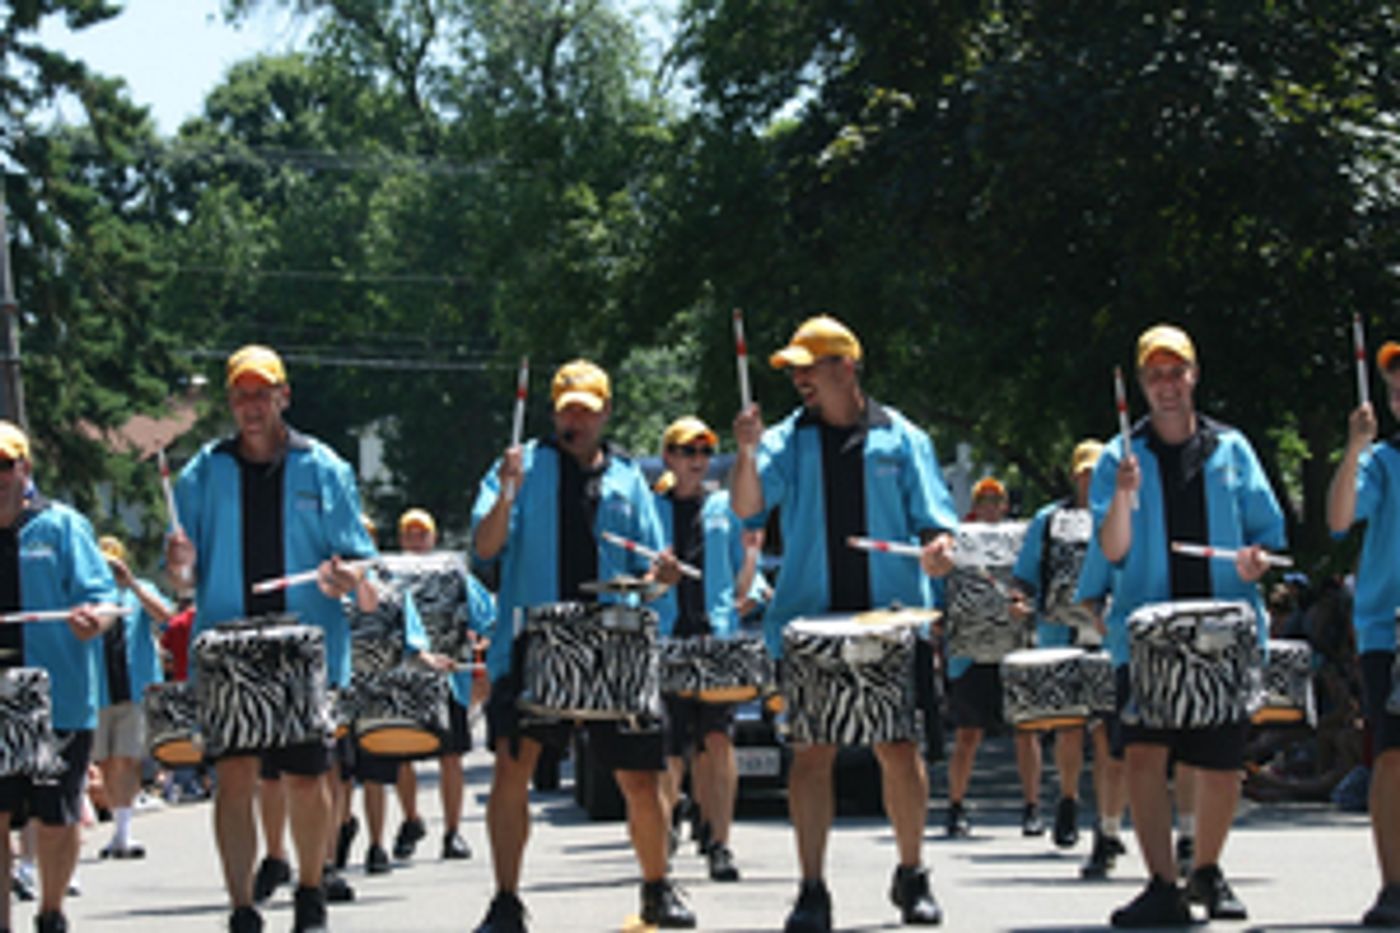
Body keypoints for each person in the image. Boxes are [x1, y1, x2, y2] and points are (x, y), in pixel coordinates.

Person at [730, 315, 957, 931]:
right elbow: (748, 506)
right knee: (810, 755)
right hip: (809, 625)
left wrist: (938, 550)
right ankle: (811, 888)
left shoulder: (902, 437)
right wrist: (746, 453)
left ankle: (912, 875)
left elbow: (936, 524)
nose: (800, 378)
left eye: (811, 366)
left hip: (889, 622)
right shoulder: (785, 439)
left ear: (846, 367)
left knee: (898, 748)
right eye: (795, 370)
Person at [470, 359, 694, 931]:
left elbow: (650, 572)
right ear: (553, 412)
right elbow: (485, 550)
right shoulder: (520, 469)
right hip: (535, 640)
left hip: (612, 644)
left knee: (640, 777)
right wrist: (504, 495)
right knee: (512, 771)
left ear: (605, 413)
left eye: (588, 410)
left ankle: (656, 886)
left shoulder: (627, 479)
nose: (578, 420)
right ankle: (504, 899)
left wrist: (662, 577)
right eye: (568, 409)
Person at [166, 345, 378, 933]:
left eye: (262, 393)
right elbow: (184, 575)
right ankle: (241, 905)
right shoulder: (203, 472)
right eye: (241, 394)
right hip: (229, 647)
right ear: (230, 402)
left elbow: (360, 560)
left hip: (302, 647)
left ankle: (310, 888)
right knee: (233, 777)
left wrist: (346, 576)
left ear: (284, 396)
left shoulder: (324, 467)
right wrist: (178, 565)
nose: (251, 405)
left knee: (308, 776)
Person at [1086, 324, 1284, 927]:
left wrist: (1256, 562)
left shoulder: (1233, 449)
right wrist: (1121, 496)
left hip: (1223, 629)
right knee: (1145, 755)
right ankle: (1160, 883)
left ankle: (1208, 870)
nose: (1167, 385)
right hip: (1145, 635)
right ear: (1142, 386)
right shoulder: (1119, 460)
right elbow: (1112, 550)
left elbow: (1266, 542)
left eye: (1177, 373)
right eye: (1155, 376)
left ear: (1194, 376)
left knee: (1221, 763)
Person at [0, 420, 120, 933]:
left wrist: (95, 619)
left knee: (56, 813)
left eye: (5, 465)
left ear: (24, 468)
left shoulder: (62, 526)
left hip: (57, 696)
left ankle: (51, 912)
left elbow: (106, 600)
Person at [1010, 441, 1132, 871]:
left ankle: (1107, 825)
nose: (1087, 479)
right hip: (1058, 632)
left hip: (1107, 634)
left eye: (1095, 471)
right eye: (1082, 472)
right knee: (1070, 726)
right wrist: (1018, 599)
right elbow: (1023, 576)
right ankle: (1067, 796)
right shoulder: (1048, 521)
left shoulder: (1124, 514)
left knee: (1107, 734)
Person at [652, 416, 750, 882]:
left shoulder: (724, 509)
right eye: (687, 451)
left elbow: (742, 576)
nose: (697, 460)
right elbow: (634, 579)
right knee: (670, 748)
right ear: (669, 456)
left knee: (717, 741)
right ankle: (667, 825)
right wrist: (655, 579)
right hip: (667, 638)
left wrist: (753, 561)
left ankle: (720, 842)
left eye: (704, 452)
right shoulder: (651, 511)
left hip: (716, 637)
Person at [1326, 337, 1400, 925]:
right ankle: (1394, 887)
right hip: (1390, 630)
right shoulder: (1383, 460)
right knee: (1393, 756)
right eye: (1395, 389)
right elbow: (1340, 517)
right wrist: (1355, 450)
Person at [377, 507, 492, 866]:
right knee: (401, 754)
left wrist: (484, 644)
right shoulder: (386, 574)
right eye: (409, 533)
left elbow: (484, 614)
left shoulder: (455, 575)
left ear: (433, 537)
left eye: (421, 533)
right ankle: (412, 819)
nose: (415, 539)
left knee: (451, 756)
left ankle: (452, 831)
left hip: (449, 676)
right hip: (403, 677)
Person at [944, 476, 1047, 839]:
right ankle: (955, 807)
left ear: (1005, 505)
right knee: (968, 733)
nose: (990, 506)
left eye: (996, 500)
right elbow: (945, 586)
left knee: (1025, 730)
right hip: (969, 651)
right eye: (983, 500)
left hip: (1013, 648)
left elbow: (1032, 581)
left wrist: (1025, 604)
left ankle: (1032, 808)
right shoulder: (956, 540)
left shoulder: (1021, 539)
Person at [93, 535, 173, 859]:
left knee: (127, 758)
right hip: (97, 687)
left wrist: (133, 587)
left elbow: (165, 615)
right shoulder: (88, 592)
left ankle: (124, 832)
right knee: (105, 762)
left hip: (134, 685)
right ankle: (117, 824)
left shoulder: (140, 589)